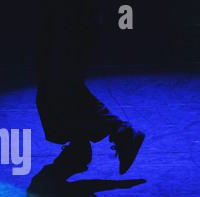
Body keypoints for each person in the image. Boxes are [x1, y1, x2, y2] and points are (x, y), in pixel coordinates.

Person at [35, 0, 145, 181]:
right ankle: (78, 143)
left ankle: (120, 131)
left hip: (71, 12)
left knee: (61, 82)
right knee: (51, 81)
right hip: (63, 11)